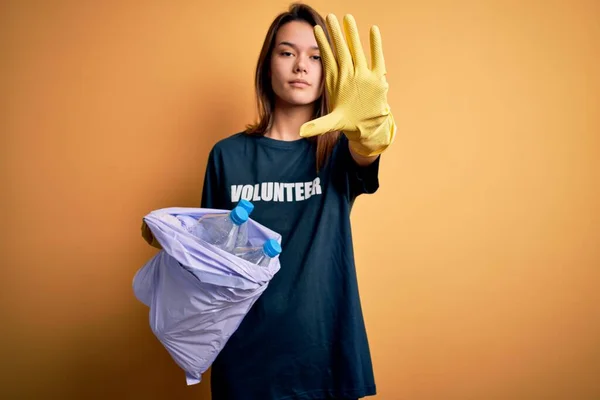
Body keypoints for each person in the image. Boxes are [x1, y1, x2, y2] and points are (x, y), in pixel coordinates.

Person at [199, 3, 396, 399]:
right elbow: (209, 260)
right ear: (267, 65)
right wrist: (175, 238)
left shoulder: (340, 151)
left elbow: (366, 152)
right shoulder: (227, 155)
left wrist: (370, 133)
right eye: (287, 52)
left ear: (331, 73)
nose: (301, 65)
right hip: (244, 357)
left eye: (316, 56)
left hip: (325, 354)